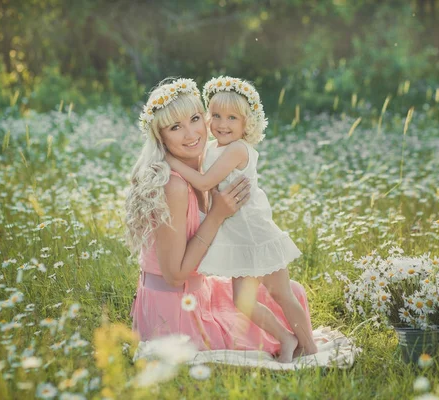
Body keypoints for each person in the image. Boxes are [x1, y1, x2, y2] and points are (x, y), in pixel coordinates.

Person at [127, 78, 314, 361]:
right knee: (257, 303)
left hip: (199, 290)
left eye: (194, 119)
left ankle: (302, 344)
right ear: (160, 137)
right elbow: (175, 276)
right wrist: (217, 214)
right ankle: (293, 342)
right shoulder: (175, 186)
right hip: (176, 310)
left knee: (286, 294)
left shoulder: (213, 159)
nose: (191, 133)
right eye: (176, 127)